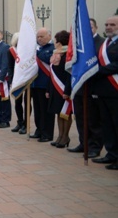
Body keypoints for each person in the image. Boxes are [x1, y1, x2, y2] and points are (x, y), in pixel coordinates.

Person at [69, 18, 104, 158]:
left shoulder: (101, 43)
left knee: (93, 119)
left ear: (96, 27)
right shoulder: (77, 44)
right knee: (80, 117)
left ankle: (95, 146)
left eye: (90, 26)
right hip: (79, 87)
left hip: (94, 87)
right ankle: (83, 143)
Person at [92, 15, 118, 170]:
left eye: (112, 24)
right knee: (106, 124)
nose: (108, 27)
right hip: (102, 90)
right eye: (107, 24)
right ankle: (111, 153)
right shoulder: (104, 43)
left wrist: (98, 71)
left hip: (115, 90)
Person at [47, 30, 73, 148]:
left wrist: (67, 91)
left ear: (60, 41)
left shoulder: (68, 54)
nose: (54, 41)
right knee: (58, 112)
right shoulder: (55, 53)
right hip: (54, 88)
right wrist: (48, 89)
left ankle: (65, 137)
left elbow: (69, 75)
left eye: (55, 39)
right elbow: (51, 73)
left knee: (65, 113)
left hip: (64, 88)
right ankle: (60, 135)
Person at [31, 28, 55, 142]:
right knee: (38, 110)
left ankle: (47, 133)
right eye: (38, 37)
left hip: (45, 84)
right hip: (35, 83)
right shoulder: (36, 48)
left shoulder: (53, 48)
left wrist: (37, 52)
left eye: (42, 36)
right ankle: (39, 130)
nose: (39, 39)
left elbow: (48, 59)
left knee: (46, 110)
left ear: (49, 36)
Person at [8, 32, 27, 133]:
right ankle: (20, 122)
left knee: (27, 101)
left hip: (27, 78)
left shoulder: (28, 50)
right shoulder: (11, 51)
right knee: (17, 101)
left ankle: (26, 124)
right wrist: (11, 80)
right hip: (17, 79)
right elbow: (10, 67)